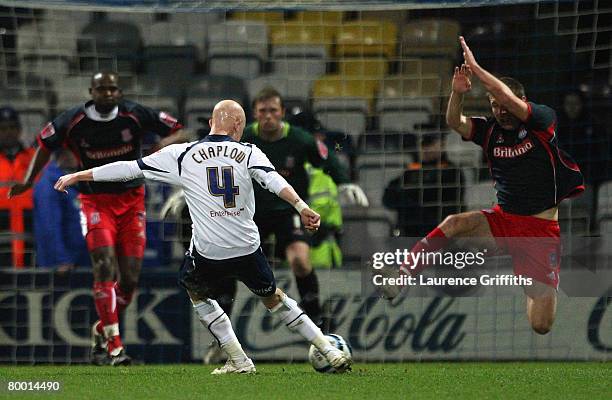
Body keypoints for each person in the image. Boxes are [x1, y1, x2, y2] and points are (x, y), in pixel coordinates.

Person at [53, 100, 352, 374]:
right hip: (248, 246)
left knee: (195, 289)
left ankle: (238, 360)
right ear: (238, 126)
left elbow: (128, 169)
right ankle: (329, 349)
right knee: (274, 298)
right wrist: (301, 207)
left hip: (209, 251)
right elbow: (273, 181)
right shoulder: (249, 151)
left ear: (211, 122)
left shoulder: (181, 153)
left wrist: (79, 176)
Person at [384, 37, 584, 336]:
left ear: (518, 102)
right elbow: (455, 121)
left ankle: (528, 279)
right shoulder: (490, 131)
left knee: (541, 325)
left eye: (503, 105)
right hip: (503, 221)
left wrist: (476, 69)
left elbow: (504, 94)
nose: (499, 111)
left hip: (539, 231)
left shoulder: (542, 120)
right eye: (493, 106)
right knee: (455, 223)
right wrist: (457, 93)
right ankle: (404, 274)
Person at [8, 71, 188, 365]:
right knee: (104, 265)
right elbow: (44, 143)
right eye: (101, 89)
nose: (107, 94)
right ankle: (115, 347)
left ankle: (101, 331)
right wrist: (29, 182)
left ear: (119, 91)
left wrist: (156, 153)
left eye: (112, 89)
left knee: (129, 279)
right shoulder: (74, 119)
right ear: (91, 91)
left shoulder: (135, 114)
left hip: (132, 202)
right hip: (94, 201)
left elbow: (180, 131)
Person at [383, 133, 464, 237]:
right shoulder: (412, 170)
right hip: (409, 231)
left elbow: (429, 195)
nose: (425, 149)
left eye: (430, 144)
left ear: (442, 145)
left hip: (438, 231)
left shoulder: (451, 171)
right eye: (422, 145)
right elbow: (388, 198)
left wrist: (406, 195)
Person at [33, 148, 90, 274]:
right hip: (61, 266)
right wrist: (61, 260)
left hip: (83, 260)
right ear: (64, 155)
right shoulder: (49, 185)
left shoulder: (78, 180)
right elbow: (49, 226)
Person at [0, 106, 35, 268]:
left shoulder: (34, 158)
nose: (8, 132)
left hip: (31, 227)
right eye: (3, 128)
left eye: (12, 127)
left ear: (20, 130)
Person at [556, 90, 610, 185]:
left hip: (589, 178)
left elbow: (601, 151)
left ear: (582, 104)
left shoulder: (592, 125)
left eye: (576, 103)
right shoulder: (557, 127)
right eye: (568, 103)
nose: (572, 107)